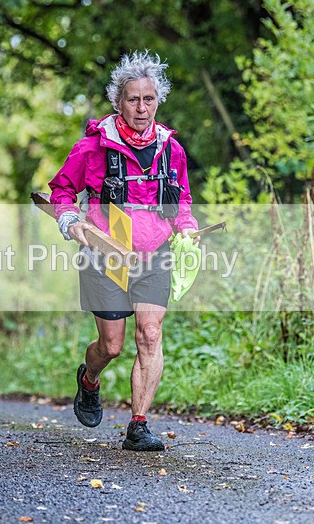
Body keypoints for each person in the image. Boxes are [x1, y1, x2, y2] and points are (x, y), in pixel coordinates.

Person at [48, 51, 198, 451]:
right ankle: (89, 379)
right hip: (106, 252)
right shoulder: (92, 148)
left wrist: (187, 227)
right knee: (111, 345)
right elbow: (61, 191)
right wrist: (69, 220)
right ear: (119, 102)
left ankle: (138, 424)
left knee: (150, 334)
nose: (141, 107)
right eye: (133, 99)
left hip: (154, 254)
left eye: (148, 99)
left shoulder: (172, 149)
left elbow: (181, 198)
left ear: (157, 101)